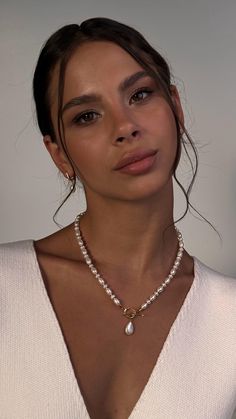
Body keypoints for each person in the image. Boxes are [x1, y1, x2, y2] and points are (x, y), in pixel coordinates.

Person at [0, 17, 235, 419]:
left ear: (175, 108)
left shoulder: (229, 319)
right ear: (59, 154)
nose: (125, 127)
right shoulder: (6, 285)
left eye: (140, 94)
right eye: (86, 116)